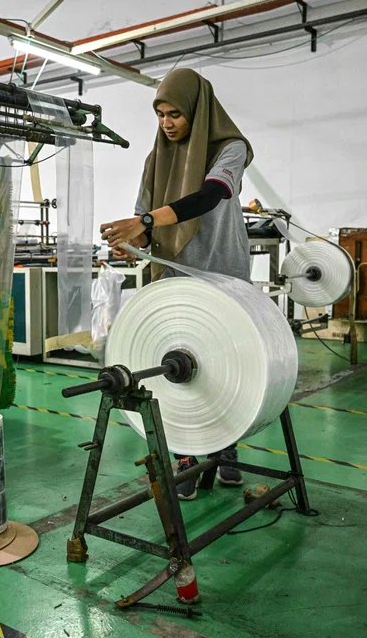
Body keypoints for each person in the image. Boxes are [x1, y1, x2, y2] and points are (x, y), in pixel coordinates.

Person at [100, 68, 254, 500]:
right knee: (179, 369)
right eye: (160, 114)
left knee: (225, 365)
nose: (167, 124)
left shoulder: (229, 148)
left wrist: (145, 221)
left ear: (197, 111)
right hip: (174, 275)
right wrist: (133, 239)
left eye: (176, 114)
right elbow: (147, 228)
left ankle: (225, 447)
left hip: (223, 271)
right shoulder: (157, 160)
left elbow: (209, 196)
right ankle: (187, 454)